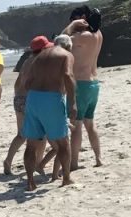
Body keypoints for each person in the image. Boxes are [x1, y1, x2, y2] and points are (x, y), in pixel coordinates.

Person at [21, 35, 75, 191]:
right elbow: (67, 75)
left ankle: (30, 182)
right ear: (69, 47)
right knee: (63, 142)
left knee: (31, 144)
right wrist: (73, 102)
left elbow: (28, 81)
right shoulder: (66, 55)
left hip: (33, 97)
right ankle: (66, 178)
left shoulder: (40, 56)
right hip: (52, 98)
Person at [63, 5, 104, 169]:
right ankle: (98, 158)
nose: (73, 23)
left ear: (83, 18)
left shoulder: (83, 36)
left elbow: (60, 40)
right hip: (93, 83)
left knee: (76, 125)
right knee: (89, 123)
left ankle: (74, 163)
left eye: (74, 19)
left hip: (81, 84)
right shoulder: (98, 34)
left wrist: (73, 26)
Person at [3, 42, 43, 175]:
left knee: (21, 134)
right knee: (41, 134)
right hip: (28, 99)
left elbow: (17, 83)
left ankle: (8, 160)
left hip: (18, 98)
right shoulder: (39, 62)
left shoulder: (26, 62)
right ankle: (38, 163)